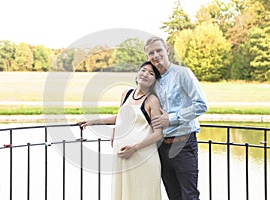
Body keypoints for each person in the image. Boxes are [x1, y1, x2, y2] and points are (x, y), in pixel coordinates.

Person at [80, 61, 163, 200]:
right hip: (122, 158)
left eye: (151, 73)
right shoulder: (126, 94)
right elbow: (122, 118)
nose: (145, 74)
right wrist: (93, 121)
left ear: (155, 80)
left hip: (142, 158)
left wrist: (134, 148)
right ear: (137, 74)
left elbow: (158, 134)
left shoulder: (152, 100)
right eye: (143, 70)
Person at [144, 36, 208, 200]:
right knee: (173, 196)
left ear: (167, 51)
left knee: (190, 196)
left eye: (159, 50)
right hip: (162, 147)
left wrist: (171, 119)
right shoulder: (153, 81)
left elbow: (201, 105)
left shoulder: (183, 73)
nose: (156, 55)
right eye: (151, 53)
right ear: (147, 57)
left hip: (184, 143)